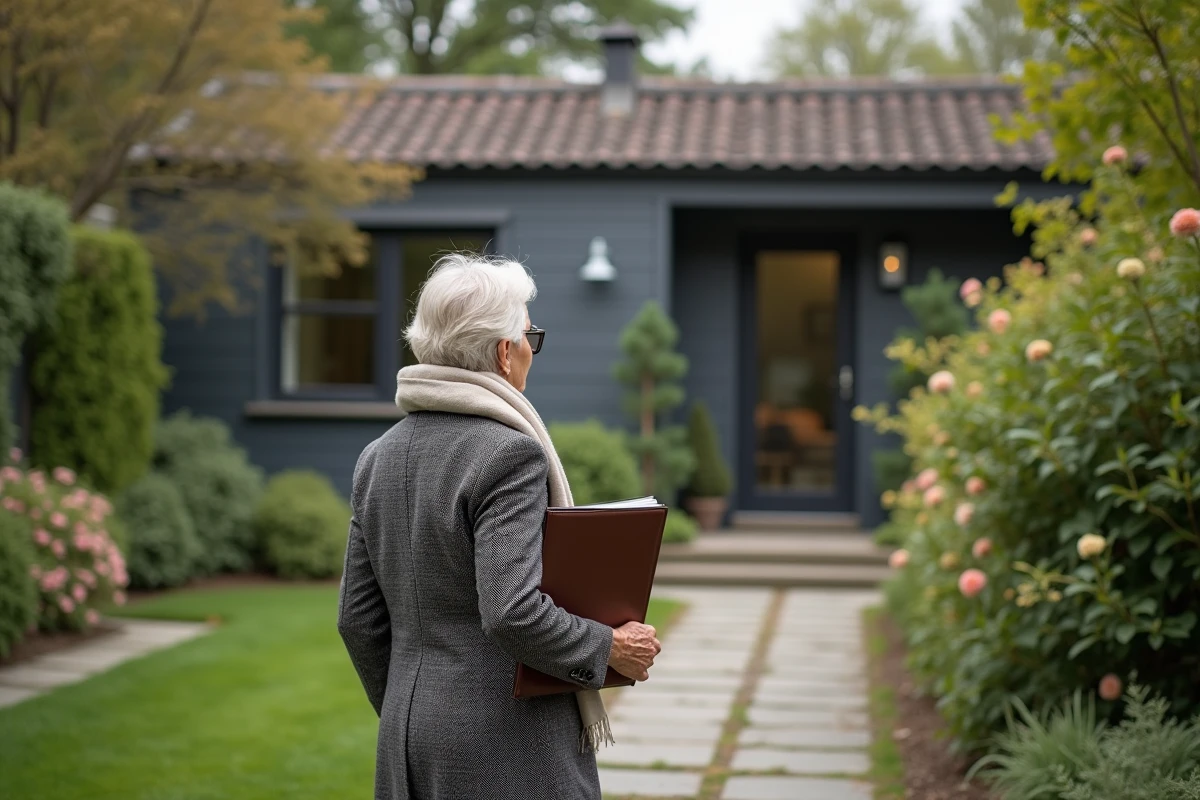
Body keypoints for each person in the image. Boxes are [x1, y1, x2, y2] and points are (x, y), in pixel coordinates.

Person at [337, 253, 662, 800]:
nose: (532, 352)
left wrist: (406, 705)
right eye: (529, 336)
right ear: (504, 352)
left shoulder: (377, 456)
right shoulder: (509, 454)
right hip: (507, 740)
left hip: (405, 736)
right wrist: (606, 645)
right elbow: (511, 610)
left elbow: (357, 620)